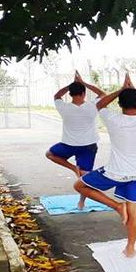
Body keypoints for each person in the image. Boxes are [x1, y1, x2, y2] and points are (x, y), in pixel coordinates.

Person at [74, 74, 136, 258]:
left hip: (115, 172)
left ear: (120, 105)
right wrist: (135, 91)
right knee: (135, 209)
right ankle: (130, 247)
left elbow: (100, 104)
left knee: (79, 185)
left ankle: (116, 206)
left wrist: (121, 90)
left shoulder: (114, 120)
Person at [47, 71, 105, 209]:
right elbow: (102, 94)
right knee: (85, 176)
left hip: (68, 145)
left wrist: (71, 84)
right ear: (84, 93)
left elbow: (57, 95)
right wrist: (83, 83)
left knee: (49, 154)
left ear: (70, 94)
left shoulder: (64, 107)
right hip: (89, 146)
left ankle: (74, 168)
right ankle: (82, 202)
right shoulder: (92, 106)